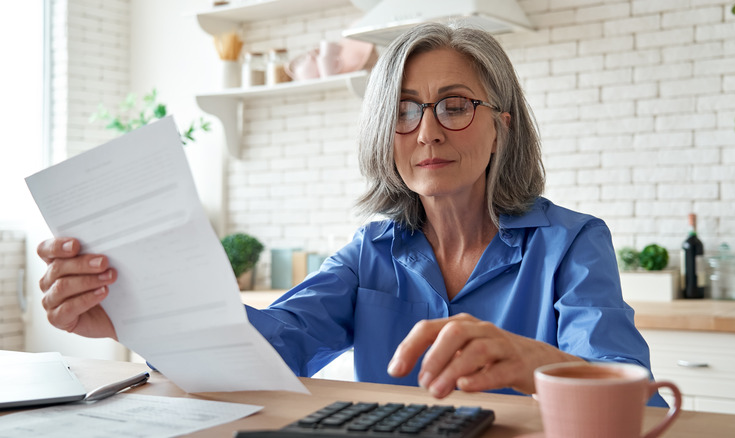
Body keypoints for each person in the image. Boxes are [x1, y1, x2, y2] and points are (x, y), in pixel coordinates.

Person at [36, 22, 666, 406]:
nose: (426, 133)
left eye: (453, 106)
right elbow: (268, 348)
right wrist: (132, 314)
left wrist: (533, 363)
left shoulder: (572, 243)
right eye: (403, 110)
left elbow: (632, 391)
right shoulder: (371, 252)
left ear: (500, 126)